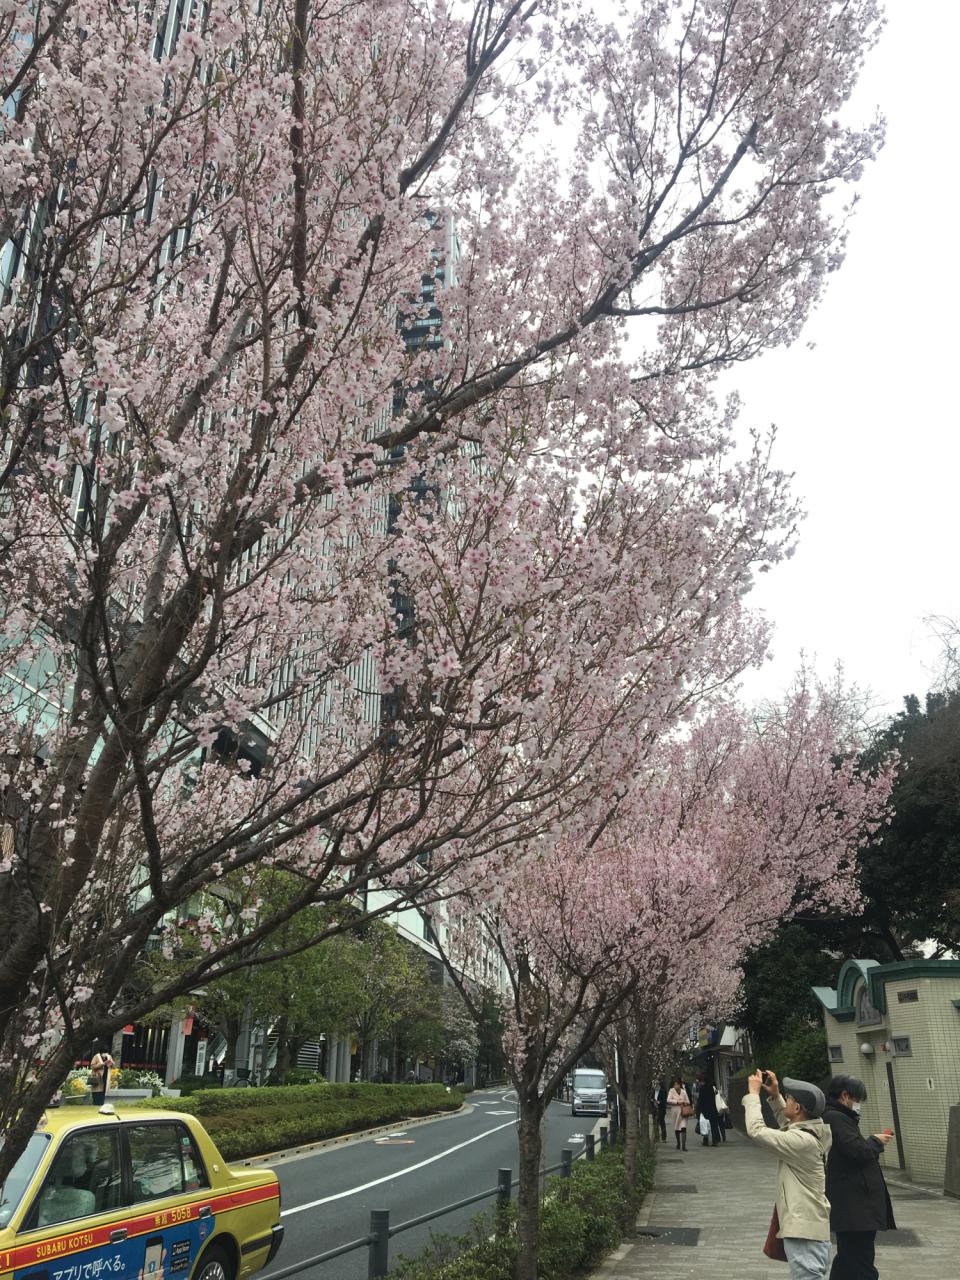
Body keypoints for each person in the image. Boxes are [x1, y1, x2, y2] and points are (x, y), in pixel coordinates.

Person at [743, 1070, 832, 1280]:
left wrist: (753, 1096)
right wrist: (775, 1097)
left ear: (798, 1107)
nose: (787, 1101)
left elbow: (757, 1131)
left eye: (789, 1099)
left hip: (805, 1233)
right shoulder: (812, 1133)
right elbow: (789, 1126)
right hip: (808, 1228)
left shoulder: (803, 1142)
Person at [822, 1075, 896, 1280]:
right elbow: (857, 1152)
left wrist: (871, 1142)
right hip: (854, 1207)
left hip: (853, 1208)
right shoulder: (836, 1117)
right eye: (858, 1100)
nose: (859, 1105)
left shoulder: (839, 1117)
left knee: (848, 1260)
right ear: (845, 1095)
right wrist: (875, 1142)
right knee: (860, 1260)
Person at [665, 1076, 690, 1151]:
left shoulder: (683, 1091)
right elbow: (668, 1100)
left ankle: (684, 1145)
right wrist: (677, 1101)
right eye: (675, 1084)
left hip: (683, 1112)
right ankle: (678, 1143)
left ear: (680, 1084)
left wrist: (685, 1102)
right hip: (675, 1112)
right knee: (677, 1128)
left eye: (677, 1084)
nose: (676, 1086)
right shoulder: (671, 1091)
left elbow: (688, 1101)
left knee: (683, 1127)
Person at [655, 1079, 668, 1143]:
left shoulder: (662, 1091)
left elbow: (664, 1100)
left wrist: (659, 1102)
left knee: (662, 1123)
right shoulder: (653, 1091)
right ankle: (656, 1137)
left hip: (661, 1109)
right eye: (655, 1084)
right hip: (654, 1109)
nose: (656, 1085)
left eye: (657, 1084)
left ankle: (664, 1137)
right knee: (655, 1123)